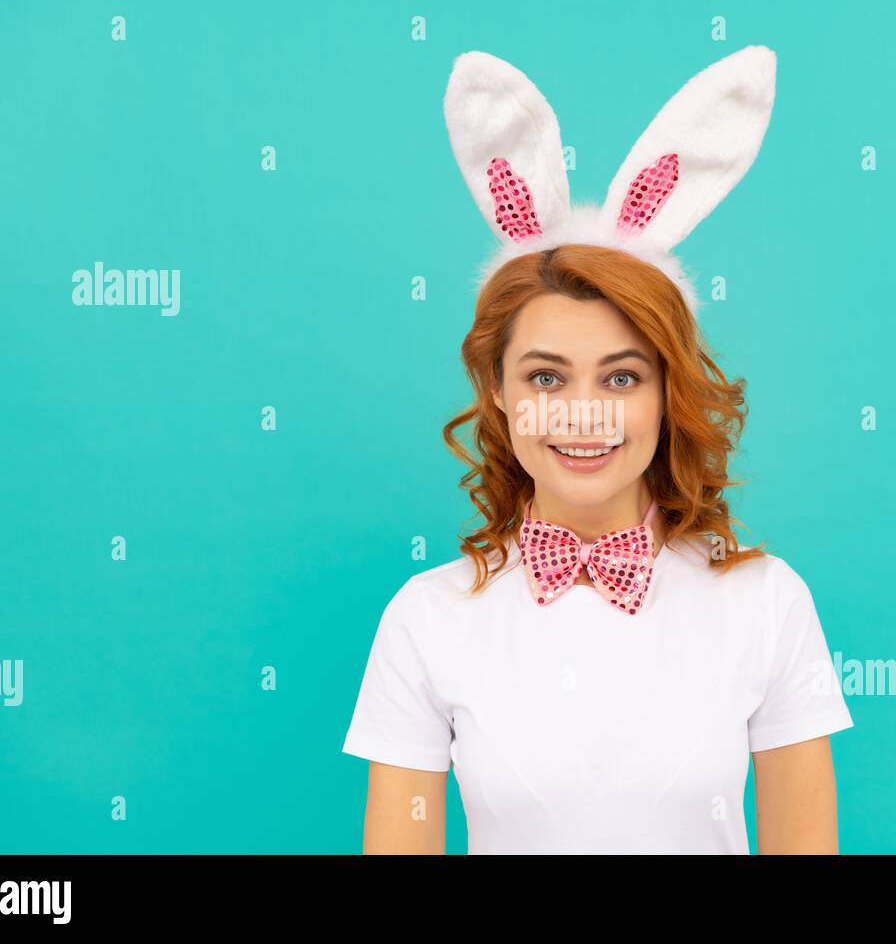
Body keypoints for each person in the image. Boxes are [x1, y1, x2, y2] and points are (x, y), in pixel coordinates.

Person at [342, 45, 854, 854]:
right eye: (546, 378)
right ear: (500, 395)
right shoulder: (426, 620)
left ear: (666, 395)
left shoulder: (767, 604)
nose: (583, 415)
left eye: (620, 379)